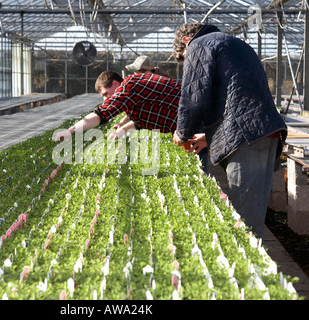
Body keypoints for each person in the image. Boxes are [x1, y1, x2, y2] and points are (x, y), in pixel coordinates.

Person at [172, 22, 287, 238]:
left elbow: (194, 96)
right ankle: (253, 264)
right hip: (264, 130)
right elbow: (236, 96)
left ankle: (247, 270)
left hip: (247, 137)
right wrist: (210, 136)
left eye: (184, 56)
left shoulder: (199, 45)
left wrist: (181, 133)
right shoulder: (231, 43)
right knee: (254, 211)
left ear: (186, 41)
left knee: (244, 218)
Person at [54, 70, 209, 172]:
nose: (105, 99)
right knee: (199, 166)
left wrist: (70, 131)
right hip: (187, 126)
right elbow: (142, 120)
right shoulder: (132, 95)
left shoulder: (129, 87)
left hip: (195, 121)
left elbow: (101, 114)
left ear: (115, 84)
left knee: (202, 170)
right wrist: (122, 129)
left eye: (106, 93)